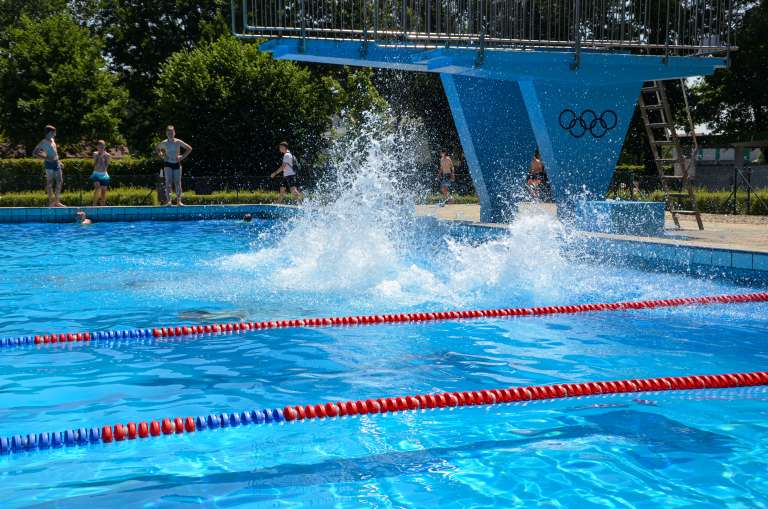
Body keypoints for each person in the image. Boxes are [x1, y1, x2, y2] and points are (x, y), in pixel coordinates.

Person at [156, 125, 192, 206]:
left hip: (177, 163)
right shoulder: (164, 143)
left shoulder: (178, 142)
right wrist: (162, 156)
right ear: (166, 133)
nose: (170, 134)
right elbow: (157, 149)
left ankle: (179, 201)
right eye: (169, 133)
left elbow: (189, 148)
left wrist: (182, 157)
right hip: (168, 163)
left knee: (177, 182)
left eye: (171, 133)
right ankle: (169, 201)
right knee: (168, 182)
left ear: (174, 133)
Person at [32, 125, 65, 207]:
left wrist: (59, 161)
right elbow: (34, 152)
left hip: (56, 162)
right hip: (49, 163)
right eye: (54, 132)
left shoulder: (52, 140)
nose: (55, 134)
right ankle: (51, 202)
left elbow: (55, 152)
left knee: (60, 181)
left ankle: (57, 201)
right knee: (50, 182)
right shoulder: (43, 142)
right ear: (50, 132)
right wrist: (45, 157)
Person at [90, 140, 111, 206]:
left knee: (104, 192)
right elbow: (94, 165)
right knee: (97, 188)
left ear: (104, 147)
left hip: (104, 174)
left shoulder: (107, 155)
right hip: (96, 174)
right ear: (97, 147)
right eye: (100, 147)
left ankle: (102, 206)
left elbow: (106, 167)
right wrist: (100, 156)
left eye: (102, 147)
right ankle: (94, 205)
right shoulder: (95, 154)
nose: (101, 148)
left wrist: (103, 158)